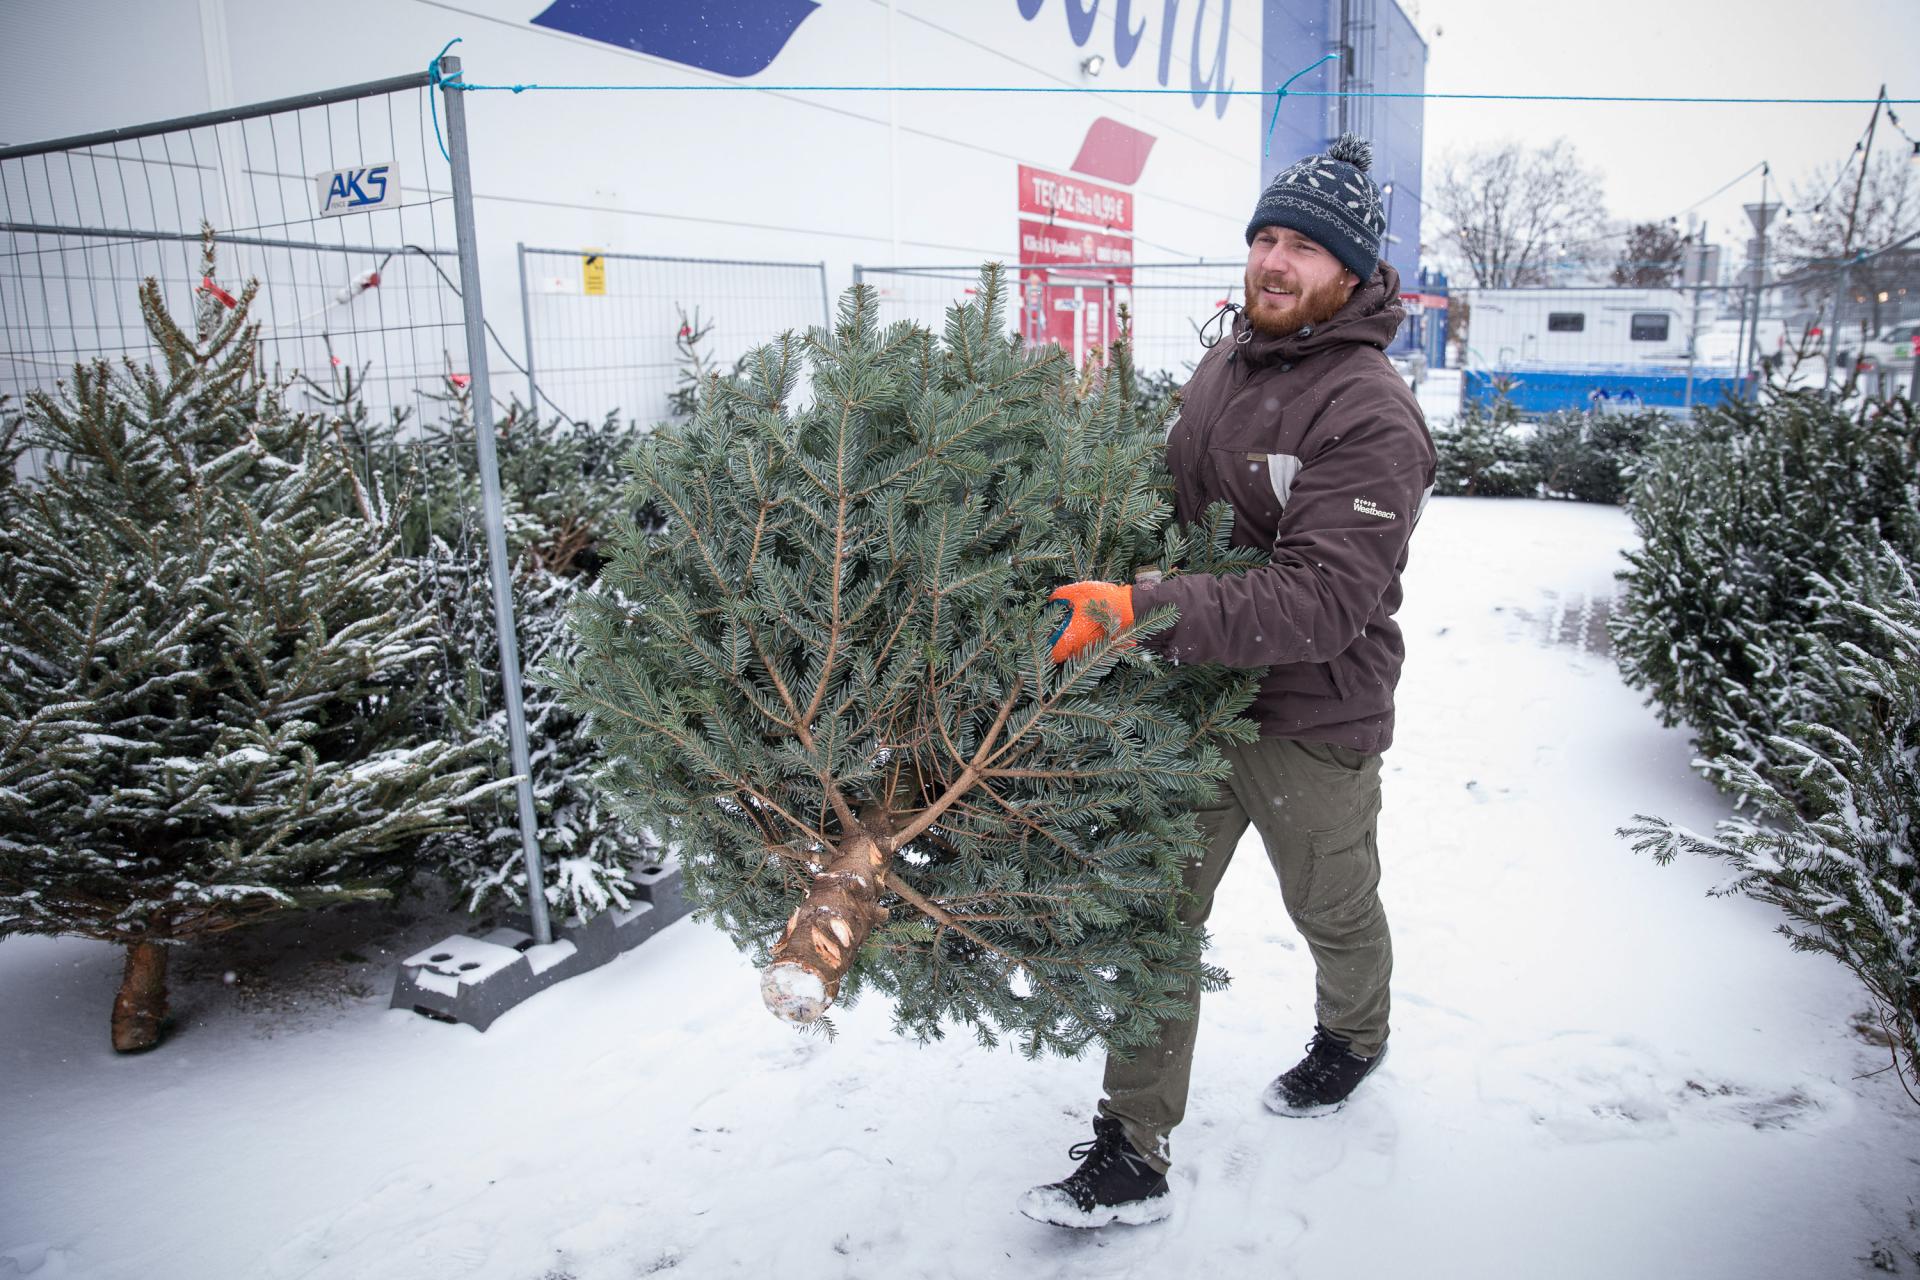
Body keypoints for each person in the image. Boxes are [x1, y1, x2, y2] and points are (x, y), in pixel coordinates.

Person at [1023, 134, 1436, 1229]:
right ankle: (1131, 1143)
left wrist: (1140, 610)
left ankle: (1355, 1034)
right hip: (1195, 700)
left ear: (1352, 272)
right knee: (1155, 913)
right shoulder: (1224, 366)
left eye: (1304, 246)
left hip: (1313, 713)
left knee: (1330, 904)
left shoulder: (1370, 410)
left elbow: (1322, 599)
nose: (1274, 261)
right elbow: (1173, 510)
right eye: (1265, 237)